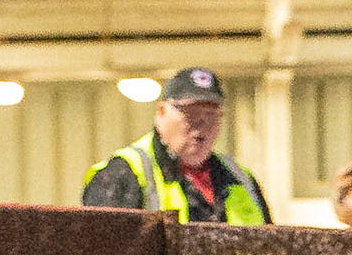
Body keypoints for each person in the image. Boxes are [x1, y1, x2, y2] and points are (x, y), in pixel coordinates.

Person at [82, 68, 270, 223]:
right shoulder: (123, 174)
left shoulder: (242, 180)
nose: (202, 124)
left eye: (212, 115)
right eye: (192, 113)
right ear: (162, 112)